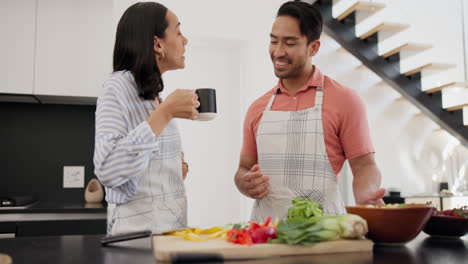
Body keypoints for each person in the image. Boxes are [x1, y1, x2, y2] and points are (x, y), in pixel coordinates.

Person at [234, 1, 386, 222]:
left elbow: (364, 166)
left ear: (313, 47)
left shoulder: (345, 100)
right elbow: (244, 168)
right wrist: (244, 183)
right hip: (266, 234)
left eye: (290, 43)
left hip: (324, 232)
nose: (278, 51)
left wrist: (367, 194)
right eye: (274, 41)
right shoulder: (258, 108)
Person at [94, 2, 199, 235]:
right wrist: (166, 113)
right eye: (178, 31)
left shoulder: (154, 95)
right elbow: (108, 169)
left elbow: (144, 167)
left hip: (170, 234)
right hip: (137, 241)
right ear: (156, 43)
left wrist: (172, 169)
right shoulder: (117, 87)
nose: (185, 40)